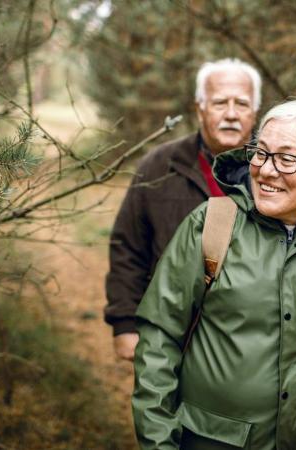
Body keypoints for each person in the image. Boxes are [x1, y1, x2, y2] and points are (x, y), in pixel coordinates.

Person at [132, 100, 296, 449]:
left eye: (287, 159)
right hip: (214, 441)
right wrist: (159, 443)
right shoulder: (212, 225)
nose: (267, 170)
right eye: (260, 152)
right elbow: (158, 340)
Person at [104, 58, 262, 361]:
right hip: (170, 331)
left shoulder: (273, 172)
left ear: (255, 112)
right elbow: (128, 246)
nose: (231, 114)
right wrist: (124, 324)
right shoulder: (159, 166)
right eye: (219, 103)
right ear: (199, 108)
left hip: (249, 342)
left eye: (241, 104)